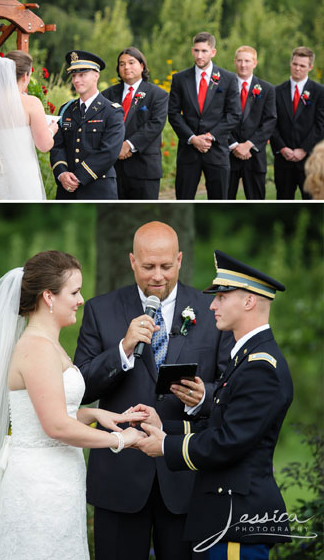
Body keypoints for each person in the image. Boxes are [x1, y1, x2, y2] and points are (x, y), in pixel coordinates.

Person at [0, 251, 147, 560]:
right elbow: (54, 426)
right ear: (48, 297)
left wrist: (94, 414)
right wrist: (121, 440)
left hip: (58, 481)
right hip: (38, 487)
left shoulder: (50, 344)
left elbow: (50, 412)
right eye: (75, 292)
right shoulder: (37, 348)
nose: (81, 300)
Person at [73, 222, 233, 560]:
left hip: (186, 474)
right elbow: (81, 389)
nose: (157, 276)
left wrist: (204, 397)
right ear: (132, 261)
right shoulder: (100, 310)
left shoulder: (211, 310)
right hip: (120, 475)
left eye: (165, 266)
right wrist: (123, 348)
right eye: (147, 267)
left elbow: (232, 386)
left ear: (179, 260)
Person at [137, 250, 292, 559]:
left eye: (221, 296)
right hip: (224, 515)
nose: (212, 305)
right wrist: (161, 426)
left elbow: (230, 442)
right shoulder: (246, 357)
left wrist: (166, 446)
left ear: (248, 302)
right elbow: (220, 424)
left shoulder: (260, 365)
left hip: (237, 517)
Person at [167, 32, 240, 200]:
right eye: (197, 51)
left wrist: (209, 137)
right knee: (183, 200)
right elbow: (174, 113)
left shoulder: (228, 79)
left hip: (217, 151)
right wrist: (192, 138)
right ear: (192, 50)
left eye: (204, 51)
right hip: (188, 151)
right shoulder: (180, 79)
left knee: (219, 201)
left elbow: (234, 114)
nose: (200, 55)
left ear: (213, 52)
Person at [0, 53, 55, 199]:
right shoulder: (32, 103)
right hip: (22, 177)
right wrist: (52, 129)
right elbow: (44, 145)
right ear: (25, 76)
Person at [51, 50, 125, 200]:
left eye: (82, 74)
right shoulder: (66, 110)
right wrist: (62, 173)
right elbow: (57, 146)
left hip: (99, 189)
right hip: (67, 190)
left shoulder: (112, 111)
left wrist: (78, 177)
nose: (76, 80)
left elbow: (109, 151)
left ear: (96, 75)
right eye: (73, 75)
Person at [100, 47, 168, 200]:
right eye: (122, 64)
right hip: (113, 169)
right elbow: (101, 125)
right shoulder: (107, 95)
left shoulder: (158, 94)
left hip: (144, 168)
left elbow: (155, 124)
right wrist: (116, 146)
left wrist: (128, 145)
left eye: (131, 62)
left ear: (142, 66)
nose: (126, 67)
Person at [270, 46, 324, 200]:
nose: (297, 69)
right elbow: (271, 123)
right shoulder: (276, 91)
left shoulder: (320, 92)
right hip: (283, 160)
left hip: (310, 161)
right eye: (295, 64)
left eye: (302, 66)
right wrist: (282, 148)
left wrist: (304, 149)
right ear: (290, 63)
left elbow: (321, 126)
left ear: (310, 67)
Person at [226, 46, 277, 200]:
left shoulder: (267, 89)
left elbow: (270, 120)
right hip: (228, 154)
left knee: (256, 199)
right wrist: (234, 145)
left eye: (247, 61)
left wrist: (248, 145)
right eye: (240, 61)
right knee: (223, 199)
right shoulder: (223, 87)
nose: (243, 65)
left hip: (254, 156)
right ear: (235, 62)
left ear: (255, 63)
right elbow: (217, 118)